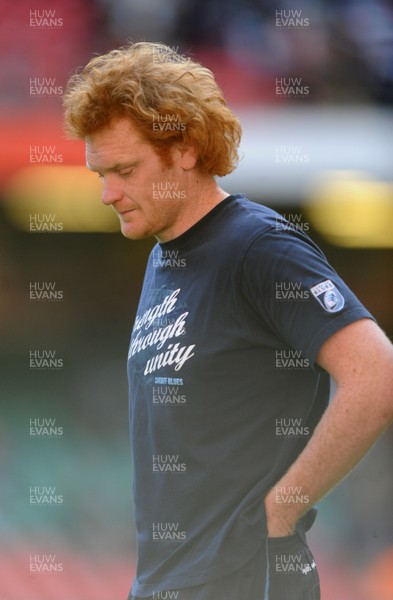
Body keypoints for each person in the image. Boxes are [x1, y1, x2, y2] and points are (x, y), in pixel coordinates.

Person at [63, 42, 393, 600]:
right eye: (101, 173)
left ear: (186, 149)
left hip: (247, 576)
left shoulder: (257, 247)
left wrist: (279, 514)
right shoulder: (163, 253)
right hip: (171, 582)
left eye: (125, 170)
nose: (107, 194)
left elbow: (377, 375)